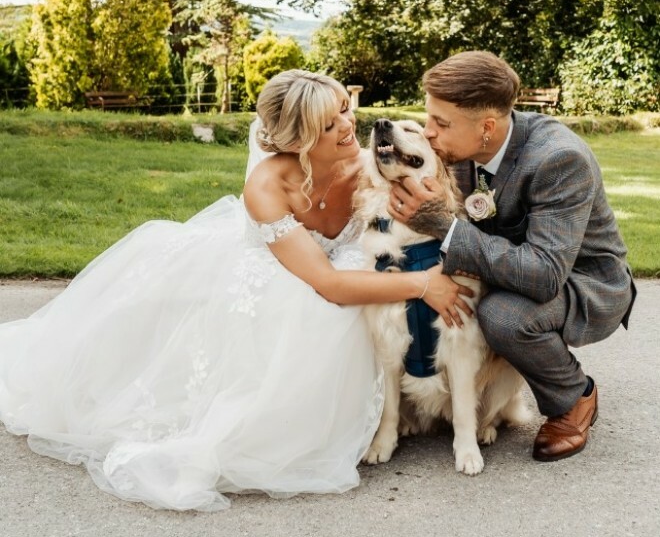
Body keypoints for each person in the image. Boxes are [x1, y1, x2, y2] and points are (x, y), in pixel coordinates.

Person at [0, 69, 471, 512]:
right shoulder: (268, 186)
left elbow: (430, 201)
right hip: (282, 271)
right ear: (298, 139)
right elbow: (326, 282)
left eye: (345, 110)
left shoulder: (373, 164)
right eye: (329, 126)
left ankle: (397, 411)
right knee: (314, 313)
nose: (348, 128)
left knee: (361, 303)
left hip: (342, 265)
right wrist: (422, 284)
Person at [388, 50, 636, 462]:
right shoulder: (459, 153)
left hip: (581, 280)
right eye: (429, 118)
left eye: (441, 123)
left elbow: (543, 275)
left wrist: (445, 227)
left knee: (503, 316)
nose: (429, 132)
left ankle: (574, 396)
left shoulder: (559, 158)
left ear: (487, 127)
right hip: (506, 266)